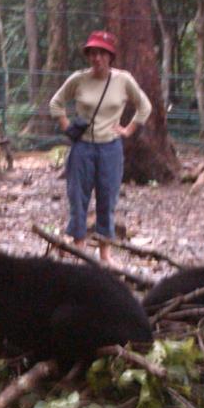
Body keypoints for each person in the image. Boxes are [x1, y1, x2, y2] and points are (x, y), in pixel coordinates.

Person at [50, 30, 152, 265]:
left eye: (102, 53)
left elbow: (144, 106)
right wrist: (66, 126)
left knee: (107, 199)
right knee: (78, 198)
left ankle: (105, 253)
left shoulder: (123, 80)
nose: (97, 58)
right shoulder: (79, 79)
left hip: (110, 148)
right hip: (82, 147)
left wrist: (128, 130)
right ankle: (80, 249)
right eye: (93, 53)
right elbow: (56, 102)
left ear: (110, 56)